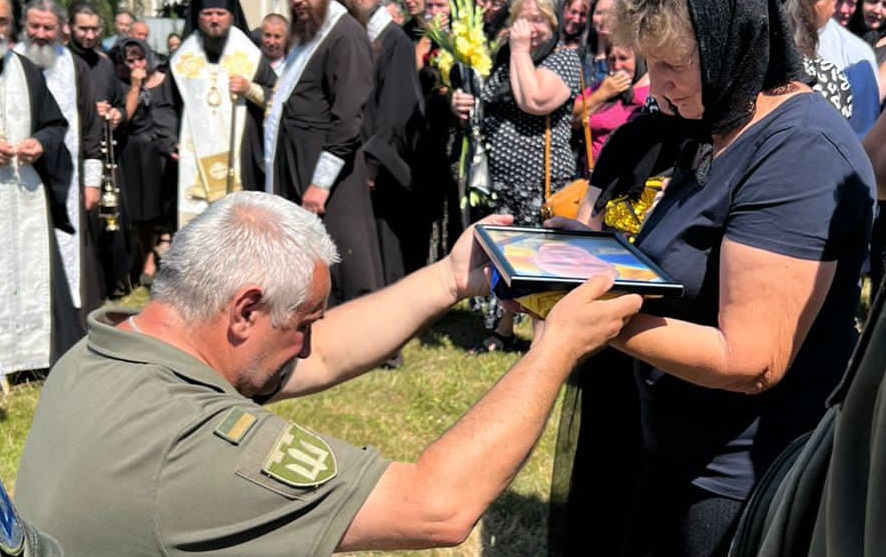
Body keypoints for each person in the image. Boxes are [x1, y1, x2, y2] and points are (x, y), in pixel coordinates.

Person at [12, 190, 643, 557]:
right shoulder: (194, 447)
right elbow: (436, 508)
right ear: (246, 310)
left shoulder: (107, 349)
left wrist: (451, 279)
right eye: (303, 322)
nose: (309, 342)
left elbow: (322, 353)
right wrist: (553, 349)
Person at [553, 1, 875, 556]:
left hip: (736, 486)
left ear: (739, 42)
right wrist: (573, 256)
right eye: (651, 63)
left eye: (674, 64)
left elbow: (751, 360)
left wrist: (587, 315)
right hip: (675, 450)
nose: (657, 84)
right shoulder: (714, 122)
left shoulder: (799, 151)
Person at [451, 0, 581, 353]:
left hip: (541, 185)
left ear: (553, 26)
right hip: (501, 180)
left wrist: (520, 50)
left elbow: (534, 100)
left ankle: (544, 339)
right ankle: (503, 328)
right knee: (504, 258)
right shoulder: (503, 58)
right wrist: (461, 103)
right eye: (524, 19)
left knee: (539, 261)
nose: (531, 28)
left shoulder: (564, 60)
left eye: (539, 20)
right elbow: (485, 99)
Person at [264, 0, 385, 308]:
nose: (299, 2)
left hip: (329, 174)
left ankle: (365, 341)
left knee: (346, 260)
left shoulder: (345, 35)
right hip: (300, 163)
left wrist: (321, 182)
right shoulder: (307, 34)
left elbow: (348, 116)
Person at [16, 0, 105, 320]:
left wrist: (92, 182)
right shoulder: (9, 62)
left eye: (48, 27)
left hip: (65, 182)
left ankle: (66, 327)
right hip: (15, 178)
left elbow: (91, 129)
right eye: (34, 26)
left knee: (67, 254)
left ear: (62, 28)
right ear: (23, 26)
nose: (40, 34)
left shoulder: (74, 67)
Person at [0, 0, 75, 378]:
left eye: (1, 22)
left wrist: (40, 143)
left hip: (22, 193)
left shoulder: (25, 70)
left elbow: (55, 123)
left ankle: (29, 361)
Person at [161, 0, 276, 228]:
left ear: (231, 16)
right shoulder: (182, 59)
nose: (214, 20)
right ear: (198, 17)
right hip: (193, 161)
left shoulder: (250, 55)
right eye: (208, 13)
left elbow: (276, 97)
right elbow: (164, 106)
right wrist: (169, 141)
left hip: (240, 157)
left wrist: (249, 89)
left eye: (220, 13)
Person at [114, 37, 178, 286]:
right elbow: (126, 118)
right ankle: (148, 261)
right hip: (137, 153)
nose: (137, 64)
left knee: (167, 208)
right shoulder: (123, 86)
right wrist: (135, 86)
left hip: (165, 151)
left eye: (140, 58)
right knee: (144, 213)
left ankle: (171, 258)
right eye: (130, 60)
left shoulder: (164, 80)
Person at [571, 43, 649, 162]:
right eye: (611, 59)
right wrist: (602, 94)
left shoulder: (651, 93)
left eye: (623, 58)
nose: (617, 66)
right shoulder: (601, 88)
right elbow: (570, 118)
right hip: (594, 175)